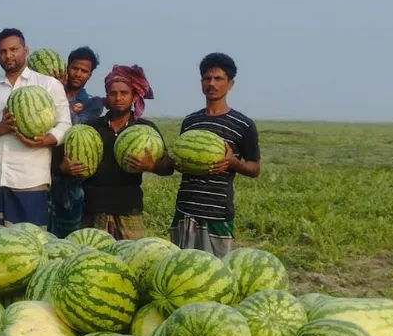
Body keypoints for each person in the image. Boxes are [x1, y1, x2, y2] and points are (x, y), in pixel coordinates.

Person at [0, 28, 70, 228]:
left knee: (31, 245)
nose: (8, 55)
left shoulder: (49, 85)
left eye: (13, 49)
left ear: (26, 50)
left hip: (31, 181)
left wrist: (47, 139)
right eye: (2, 51)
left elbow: (65, 125)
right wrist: (2, 127)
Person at [61, 65, 173, 240]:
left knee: (132, 262)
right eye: (113, 93)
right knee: (93, 262)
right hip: (93, 210)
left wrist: (151, 166)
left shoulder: (144, 128)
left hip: (129, 210)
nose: (118, 98)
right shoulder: (90, 128)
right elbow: (63, 162)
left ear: (133, 96)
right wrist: (65, 168)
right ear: (107, 96)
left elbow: (168, 167)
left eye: (124, 93)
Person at [171, 53, 261, 257]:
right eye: (206, 78)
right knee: (180, 272)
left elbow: (255, 169)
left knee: (215, 275)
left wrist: (233, 162)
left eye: (218, 79)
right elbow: (183, 159)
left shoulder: (243, 125)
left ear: (230, 84)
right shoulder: (190, 121)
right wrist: (176, 163)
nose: (211, 83)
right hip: (185, 210)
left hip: (218, 214)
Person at [50, 46, 103, 237]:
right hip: (44, 174)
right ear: (67, 67)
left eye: (84, 71)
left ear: (90, 75)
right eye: (75, 68)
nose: (78, 74)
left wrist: (61, 99)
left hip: (71, 187)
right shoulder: (47, 93)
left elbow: (78, 127)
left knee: (67, 239)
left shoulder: (92, 103)